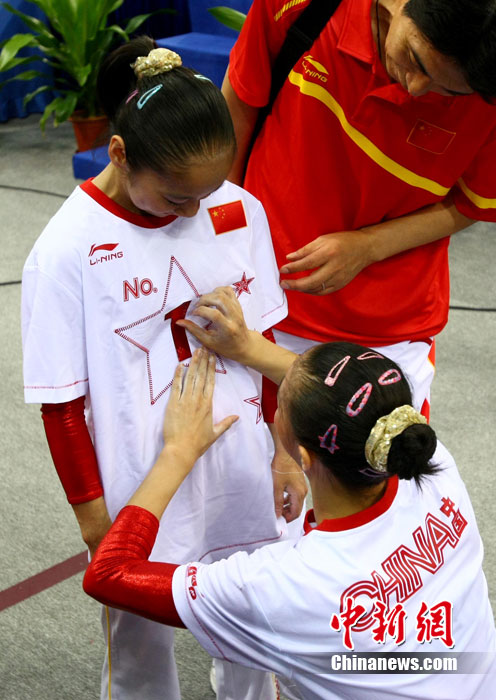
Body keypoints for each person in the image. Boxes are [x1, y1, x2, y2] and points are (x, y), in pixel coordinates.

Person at [21, 36, 303, 700]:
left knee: (251, 615)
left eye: (209, 190)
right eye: (177, 198)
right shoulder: (65, 250)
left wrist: (285, 451)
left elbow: (264, 339)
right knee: (140, 647)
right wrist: (96, 524)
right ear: (119, 153)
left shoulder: (238, 209)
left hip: (243, 461)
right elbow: (62, 405)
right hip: (141, 483)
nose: (196, 211)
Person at [83, 288, 496, 700]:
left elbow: (109, 574)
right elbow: (349, 404)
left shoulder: (281, 585)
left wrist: (177, 453)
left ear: (302, 456)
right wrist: (248, 346)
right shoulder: (429, 461)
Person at [222, 0, 496, 419]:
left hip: (384, 328)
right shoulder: (309, 7)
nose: (415, 87)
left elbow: (476, 202)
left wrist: (369, 246)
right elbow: (241, 100)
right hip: (257, 296)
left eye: (449, 91)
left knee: (370, 458)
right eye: (415, 58)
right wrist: (225, 237)